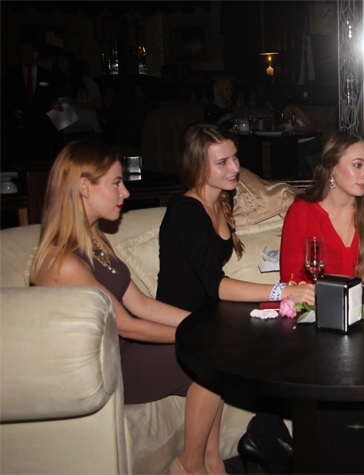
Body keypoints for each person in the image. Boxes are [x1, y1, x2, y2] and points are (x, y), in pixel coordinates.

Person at [28, 140, 228, 474]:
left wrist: (202, 323)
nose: (126, 193)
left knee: (216, 352)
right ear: (84, 187)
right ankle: (189, 464)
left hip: (125, 352)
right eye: (116, 183)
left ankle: (212, 461)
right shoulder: (62, 262)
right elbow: (127, 325)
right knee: (211, 359)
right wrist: (196, 336)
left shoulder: (94, 238)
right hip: (108, 367)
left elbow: (141, 304)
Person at [156, 123, 314, 473]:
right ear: (198, 167)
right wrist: (281, 290)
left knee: (274, 336)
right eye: (223, 162)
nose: (235, 168)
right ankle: (187, 463)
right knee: (216, 364)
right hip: (177, 317)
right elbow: (216, 285)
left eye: (235, 158)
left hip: (206, 316)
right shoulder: (185, 211)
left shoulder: (221, 201)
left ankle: (214, 461)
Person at [279, 131, 364, 283]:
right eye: (358, 165)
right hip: (315, 297)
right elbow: (290, 279)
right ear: (333, 167)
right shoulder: (301, 211)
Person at [1, 35, 62, 165]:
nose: (24, 55)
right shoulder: (11, 76)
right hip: (20, 129)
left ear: (35, 54)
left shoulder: (46, 75)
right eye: (21, 52)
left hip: (42, 128)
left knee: (42, 160)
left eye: (27, 52)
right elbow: (6, 100)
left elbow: (53, 98)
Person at [52, 50, 103, 143]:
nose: (60, 65)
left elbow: (98, 104)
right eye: (59, 62)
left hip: (87, 128)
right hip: (69, 129)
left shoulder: (86, 81)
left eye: (63, 62)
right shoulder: (60, 83)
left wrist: (76, 103)